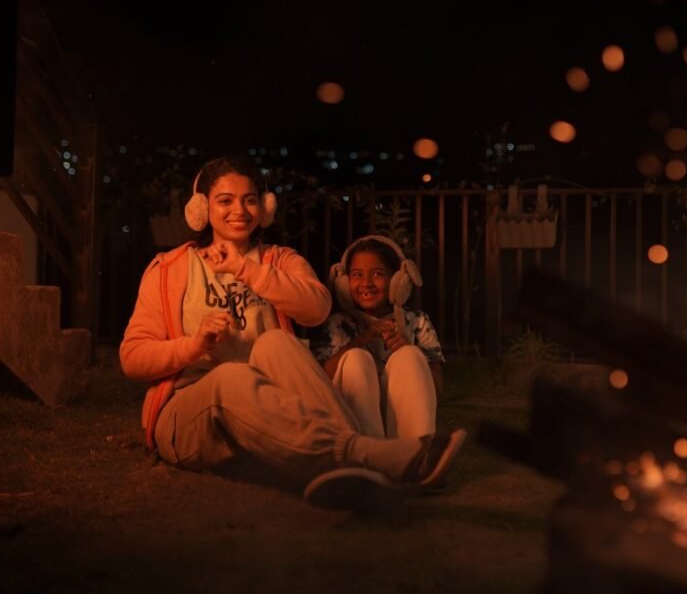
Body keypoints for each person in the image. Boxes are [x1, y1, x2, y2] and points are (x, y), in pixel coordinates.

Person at [119, 156, 466, 510]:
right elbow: (132, 359)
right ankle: (365, 456)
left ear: (264, 207)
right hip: (191, 413)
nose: (239, 209)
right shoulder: (169, 269)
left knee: (276, 342)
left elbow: (316, 308)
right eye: (225, 200)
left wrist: (246, 268)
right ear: (201, 208)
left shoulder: (279, 261)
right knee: (230, 377)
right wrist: (194, 345)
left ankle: (360, 467)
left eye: (250, 199)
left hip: (271, 410)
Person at [316, 235, 443, 442]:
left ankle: (415, 455)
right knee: (356, 358)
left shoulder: (417, 322)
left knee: (409, 355)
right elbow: (321, 379)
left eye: (377, 274)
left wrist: (407, 348)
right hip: (355, 421)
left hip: (401, 416)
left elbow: (437, 387)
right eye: (357, 275)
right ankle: (368, 457)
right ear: (345, 282)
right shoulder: (338, 324)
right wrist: (362, 340)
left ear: (397, 281)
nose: (366, 283)